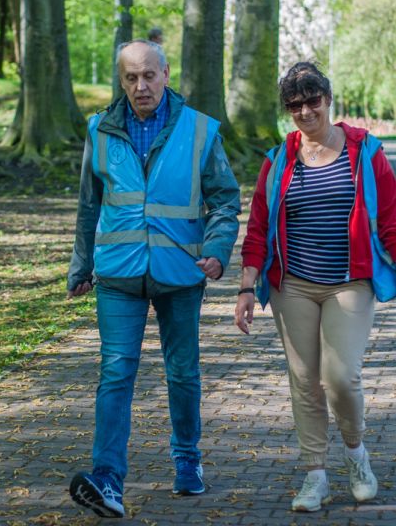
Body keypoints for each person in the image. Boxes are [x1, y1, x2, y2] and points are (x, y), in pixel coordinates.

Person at [67, 39, 240, 518]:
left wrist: (218, 253)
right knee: (115, 373)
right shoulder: (99, 129)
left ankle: (188, 462)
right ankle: (107, 480)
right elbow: (88, 204)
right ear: (120, 81)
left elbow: (225, 201)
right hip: (118, 275)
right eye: (130, 78)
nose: (140, 86)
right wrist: (81, 265)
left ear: (166, 74)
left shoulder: (201, 130)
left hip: (181, 273)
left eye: (148, 75)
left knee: (182, 373)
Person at [233, 61, 396, 512]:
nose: (304, 111)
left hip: (350, 282)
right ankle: (315, 474)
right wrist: (246, 286)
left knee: (340, 376)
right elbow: (258, 226)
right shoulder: (278, 160)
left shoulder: (365, 152)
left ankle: (356, 454)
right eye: (294, 105)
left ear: (328, 100)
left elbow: (390, 217)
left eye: (312, 101)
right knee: (303, 380)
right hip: (292, 284)